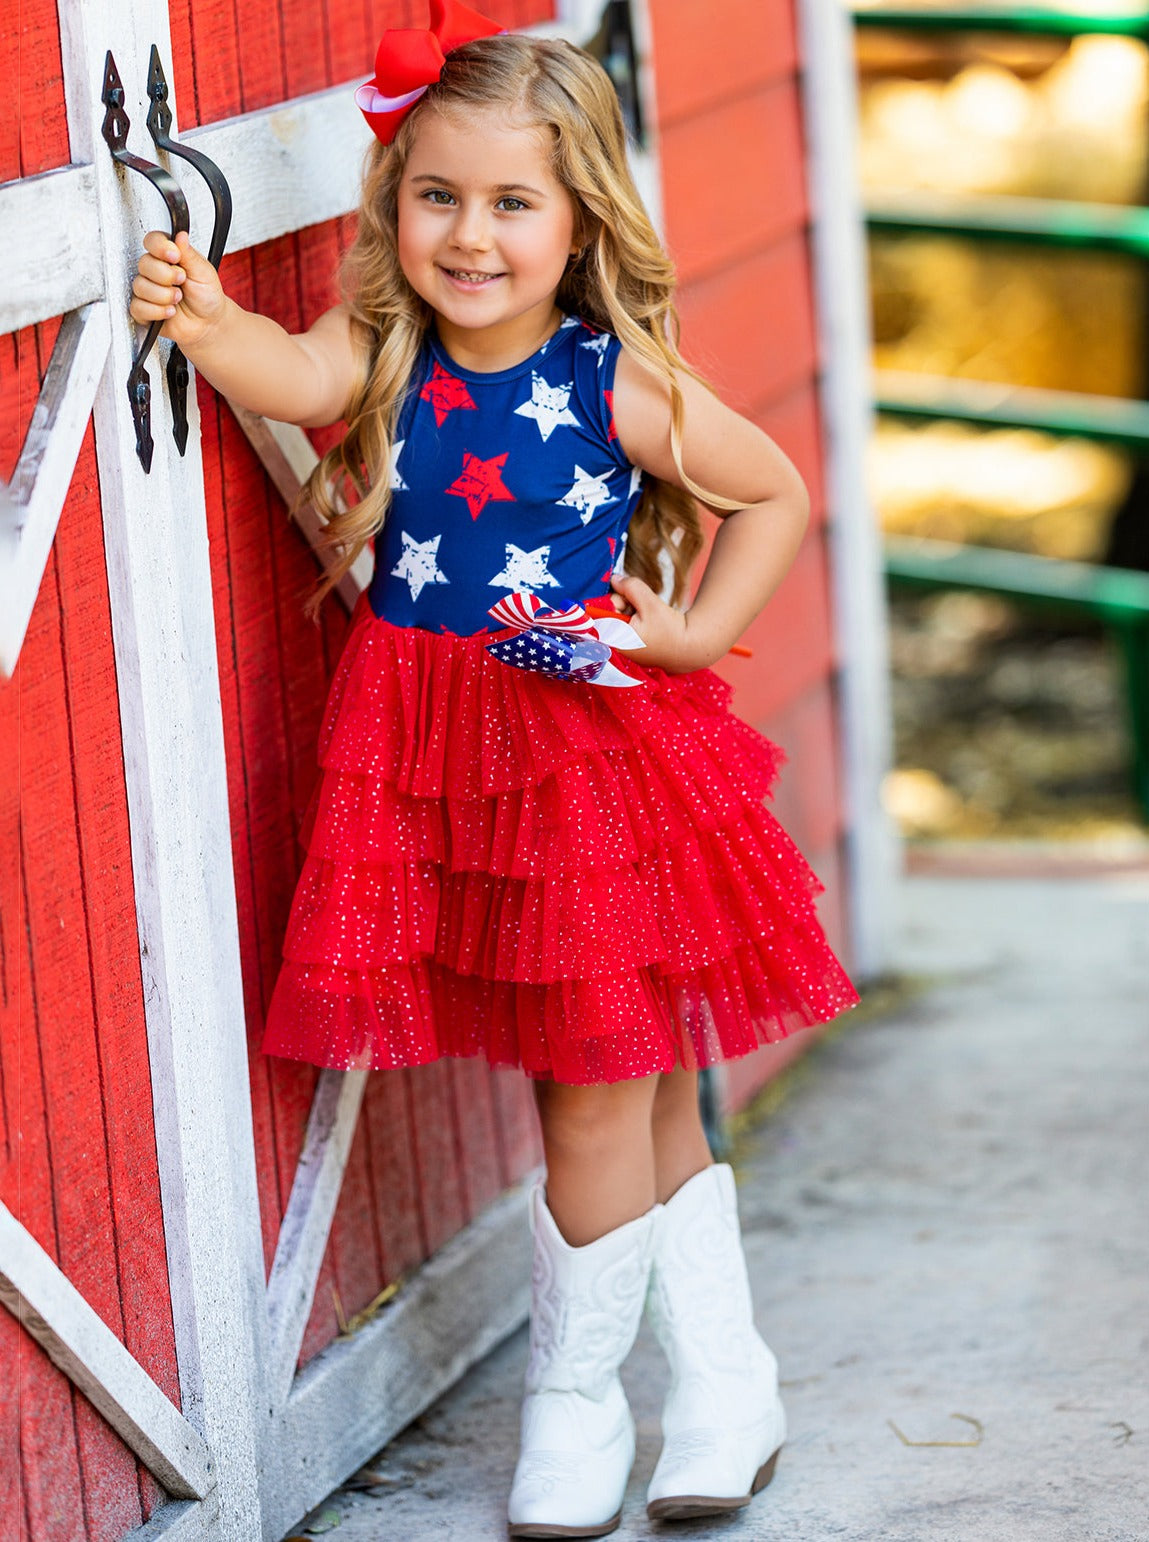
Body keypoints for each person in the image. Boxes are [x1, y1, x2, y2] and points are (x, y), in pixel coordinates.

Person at [131, 3, 859, 1534]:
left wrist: (691, 636)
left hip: (593, 756)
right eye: (436, 194)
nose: (469, 235)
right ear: (393, 198)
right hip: (440, 749)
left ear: (578, 217)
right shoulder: (383, 350)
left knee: (605, 1081)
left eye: (512, 202)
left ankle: (580, 1401)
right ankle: (725, 1379)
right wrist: (199, 318)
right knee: (633, 1078)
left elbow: (775, 490)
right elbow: (284, 370)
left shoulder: (606, 380)